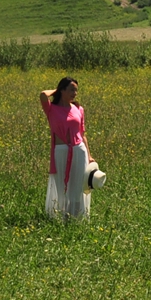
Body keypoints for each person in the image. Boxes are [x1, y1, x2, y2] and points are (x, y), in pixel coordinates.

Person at [39, 77, 94, 220]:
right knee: (61, 186)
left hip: (79, 150)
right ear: (62, 90)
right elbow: (43, 94)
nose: (74, 93)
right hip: (61, 151)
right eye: (71, 89)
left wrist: (89, 155)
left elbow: (82, 134)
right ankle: (61, 217)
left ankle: (76, 218)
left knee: (77, 186)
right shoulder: (51, 108)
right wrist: (57, 90)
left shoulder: (78, 109)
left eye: (76, 90)